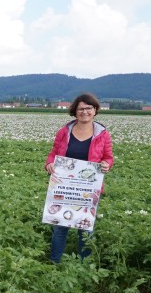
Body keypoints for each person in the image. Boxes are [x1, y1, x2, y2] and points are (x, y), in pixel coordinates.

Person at [45, 93, 113, 262]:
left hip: (88, 189)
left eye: (89, 108)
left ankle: (84, 265)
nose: (85, 112)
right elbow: (53, 153)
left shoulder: (102, 134)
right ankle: (55, 263)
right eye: (81, 108)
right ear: (74, 111)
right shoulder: (64, 131)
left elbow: (108, 157)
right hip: (64, 187)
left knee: (85, 228)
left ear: (95, 110)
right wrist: (49, 165)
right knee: (60, 227)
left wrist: (106, 164)